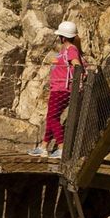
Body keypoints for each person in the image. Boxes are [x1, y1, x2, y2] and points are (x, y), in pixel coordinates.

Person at [30, 21, 83, 159]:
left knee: (52, 118)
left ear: (63, 37)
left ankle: (61, 147)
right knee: (52, 117)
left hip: (62, 89)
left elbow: (76, 64)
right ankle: (43, 147)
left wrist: (75, 71)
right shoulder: (65, 50)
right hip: (59, 88)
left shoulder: (71, 49)